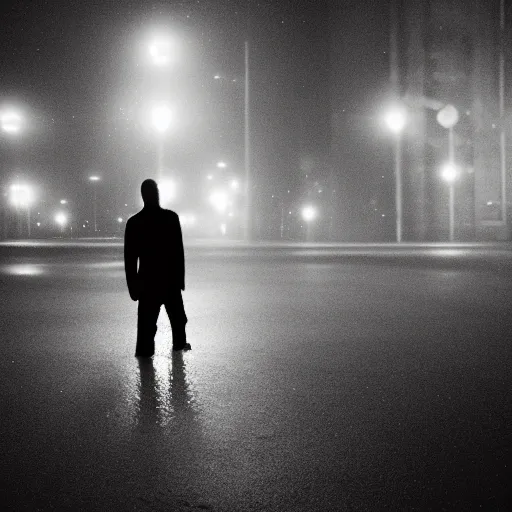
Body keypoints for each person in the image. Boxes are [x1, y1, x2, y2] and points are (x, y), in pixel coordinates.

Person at [124, 179, 191, 357]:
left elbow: (130, 259)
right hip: (169, 282)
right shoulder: (170, 218)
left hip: (147, 283)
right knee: (178, 323)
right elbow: (178, 252)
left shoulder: (134, 223)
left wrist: (133, 287)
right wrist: (179, 281)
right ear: (156, 194)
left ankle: (146, 363)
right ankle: (179, 356)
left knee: (146, 329)